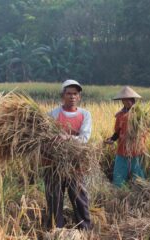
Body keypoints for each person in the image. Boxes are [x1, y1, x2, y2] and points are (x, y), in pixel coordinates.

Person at [44, 79, 92, 230]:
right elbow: (45, 138)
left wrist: (67, 137)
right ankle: (56, 230)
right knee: (54, 199)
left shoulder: (85, 115)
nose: (72, 96)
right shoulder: (52, 114)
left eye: (75, 94)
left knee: (79, 198)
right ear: (62, 95)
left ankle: (84, 229)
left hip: (75, 164)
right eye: (69, 93)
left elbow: (84, 139)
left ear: (79, 97)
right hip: (53, 163)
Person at [104, 86, 146, 187]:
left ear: (133, 100)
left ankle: (140, 194)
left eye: (130, 100)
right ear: (122, 101)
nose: (127, 102)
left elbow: (145, 130)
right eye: (124, 100)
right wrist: (112, 139)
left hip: (137, 150)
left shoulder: (140, 114)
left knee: (138, 177)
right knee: (119, 177)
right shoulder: (120, 115)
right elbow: (117, 132)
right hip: (122, 150)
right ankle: (119, 196)